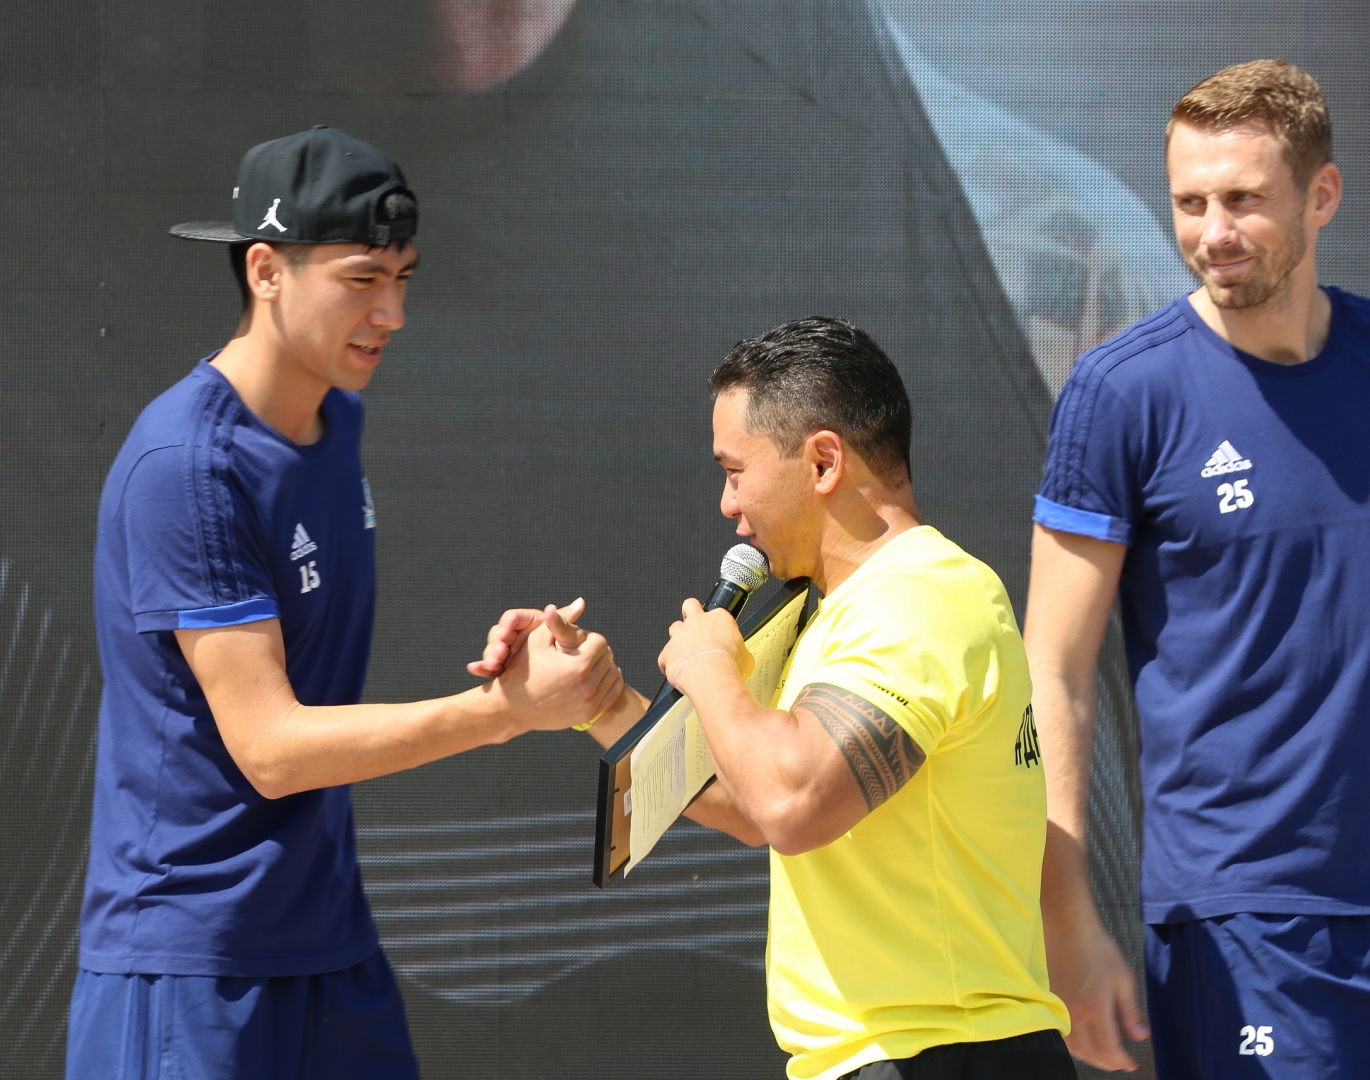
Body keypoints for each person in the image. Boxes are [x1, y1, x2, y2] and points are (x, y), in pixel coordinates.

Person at [66, 126, 624, 1080]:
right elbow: (273, 749)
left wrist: (518, 666)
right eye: (362, 279)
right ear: (265, 271)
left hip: (332, 950)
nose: (392, 312)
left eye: (402, 278)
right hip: (194, 970)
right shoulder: (186, 467)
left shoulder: (337, 418)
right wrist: (505, 712)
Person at [476, 316, 1075, 1079]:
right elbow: (754, 804)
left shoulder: (918, 596)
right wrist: (604, 701)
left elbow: (792, 803)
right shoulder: (848, 609)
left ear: (823, 461)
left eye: (735, 471)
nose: (728, 504)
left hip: (941, 1052)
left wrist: (711, 671)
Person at [1027, 59, 1370, 1077]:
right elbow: (1053, 671)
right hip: (1246, 916)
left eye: (1242, 201)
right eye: (1189, 203)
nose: (1212, 232)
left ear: (1320, 195)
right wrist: (1065, 915)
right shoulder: (1119, 393)